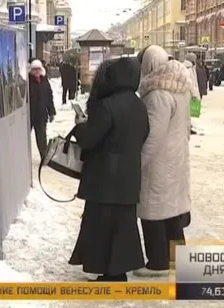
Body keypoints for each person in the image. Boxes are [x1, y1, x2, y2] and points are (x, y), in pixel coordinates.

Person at [69, 57, 149, 282]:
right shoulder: (138, 105)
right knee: (123, 227)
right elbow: (143, 135)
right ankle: (118, 271)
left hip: (105, 177)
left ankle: (110, 273)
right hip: (129, 176)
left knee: (102, 226)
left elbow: (89, 139)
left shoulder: (107, 105)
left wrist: (79, 126)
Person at [134, 45, 192, 277]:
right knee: (173, 211)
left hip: (158, 162)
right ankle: (176, 259)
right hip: (177, 158)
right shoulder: (181, 88)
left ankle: (157, 263)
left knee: (153, 211)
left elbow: (152, 136)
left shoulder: (157, 94)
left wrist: (138, 163)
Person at [28, 59, 55, 160]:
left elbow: (49, 97)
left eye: (38, 69)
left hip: (41, 115)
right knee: (24, 138)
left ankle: (44, 157)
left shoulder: (44, 81)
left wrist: (52, 112)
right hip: (29, 115)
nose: (36, 72)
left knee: (42, 138)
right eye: (34, 69)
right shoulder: (27, 81)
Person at [184, 53, 200, 135]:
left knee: (187, 112)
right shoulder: (189, 69)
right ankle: (188, 128)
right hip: (188, 93)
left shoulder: (187, 67)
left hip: (187, 93)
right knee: (187, 112)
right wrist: (194, 94)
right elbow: (191, 83)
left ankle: (188, 127)